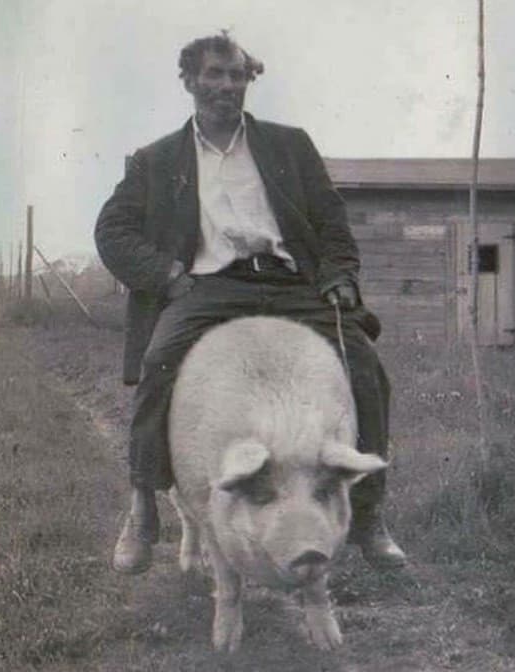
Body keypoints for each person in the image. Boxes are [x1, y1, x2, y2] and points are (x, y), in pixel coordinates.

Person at [95, 32, 406, 575]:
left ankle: (369, 514)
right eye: (214, 75)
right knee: (158, 361)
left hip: (291, 285)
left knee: (364, 365)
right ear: (189, 81)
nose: (227, 86)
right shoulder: (157, 159)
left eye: (237, 75)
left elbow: (332, 222)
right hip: (208, 289)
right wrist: (167, 277)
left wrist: (339, 278)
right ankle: (143, 508)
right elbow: (112, 230)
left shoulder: (290, 145)